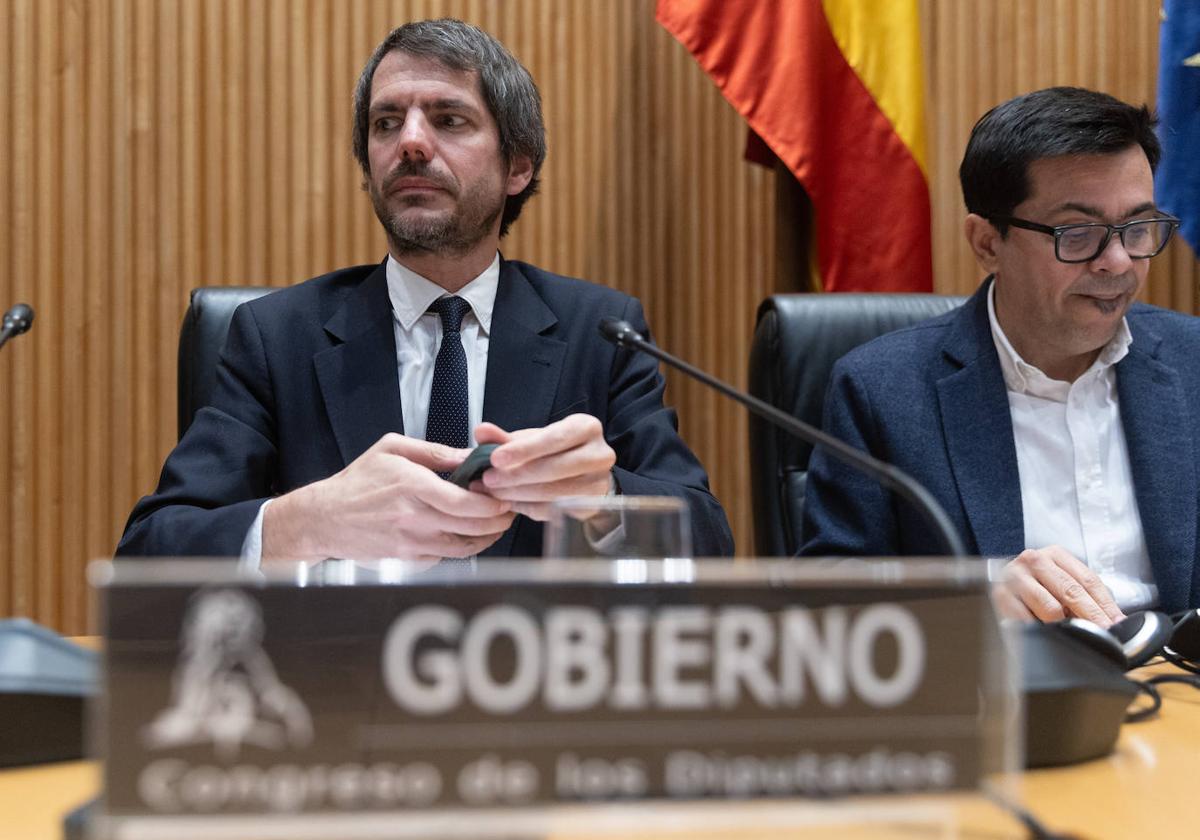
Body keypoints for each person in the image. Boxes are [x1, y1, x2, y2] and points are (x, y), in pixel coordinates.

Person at [118, 19, 733, 564]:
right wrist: (307, 520)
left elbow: (707, 542)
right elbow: (150, 550)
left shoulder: (600, 331)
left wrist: (603, 499)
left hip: (533, 676)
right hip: (344, 679)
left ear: (518, 166)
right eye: (386, 123)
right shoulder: (275, 337)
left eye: (448, 119)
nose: (410, 142)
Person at [801, 87, 1199, 622]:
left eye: (1136, 228)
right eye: (1078, 234)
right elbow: (829, 600)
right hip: (1003, 688)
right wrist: (971, 601)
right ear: (988, 243)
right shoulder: (881, 390)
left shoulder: (1191, 362)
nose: (1118, 261)